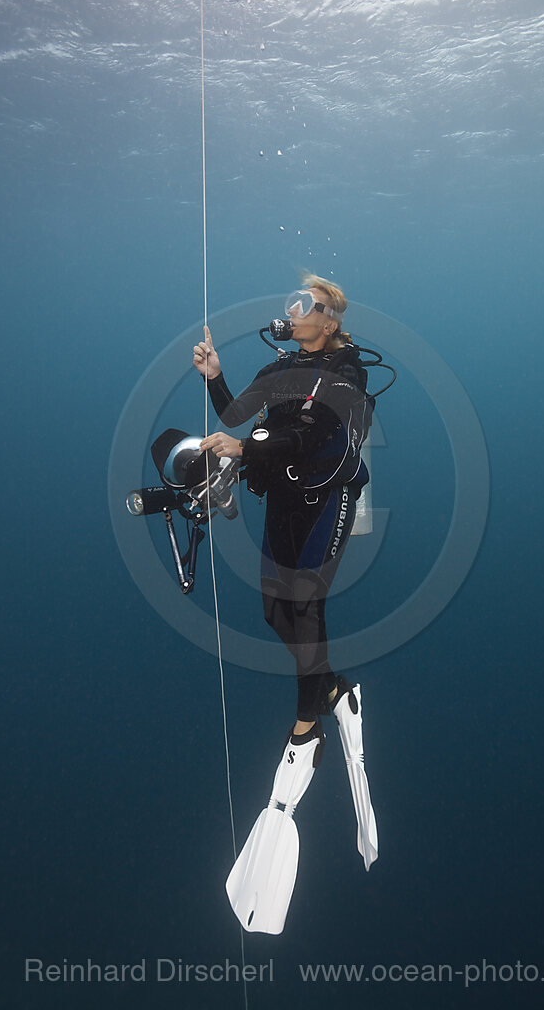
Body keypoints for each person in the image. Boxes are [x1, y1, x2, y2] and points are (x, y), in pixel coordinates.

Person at [193, 275, 378, 934]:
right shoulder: (286, 366)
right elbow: (239, 413)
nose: (290, 312)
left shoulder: (345, 373)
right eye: (291, 302)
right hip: (284, 497)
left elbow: (313, 442)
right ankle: (333, 692)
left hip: (327, 495)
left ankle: (307, 733)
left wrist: (249, 450)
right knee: (275, 611)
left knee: (304, 603)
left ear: (327, 320)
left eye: (303, 305)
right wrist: (217, 377)